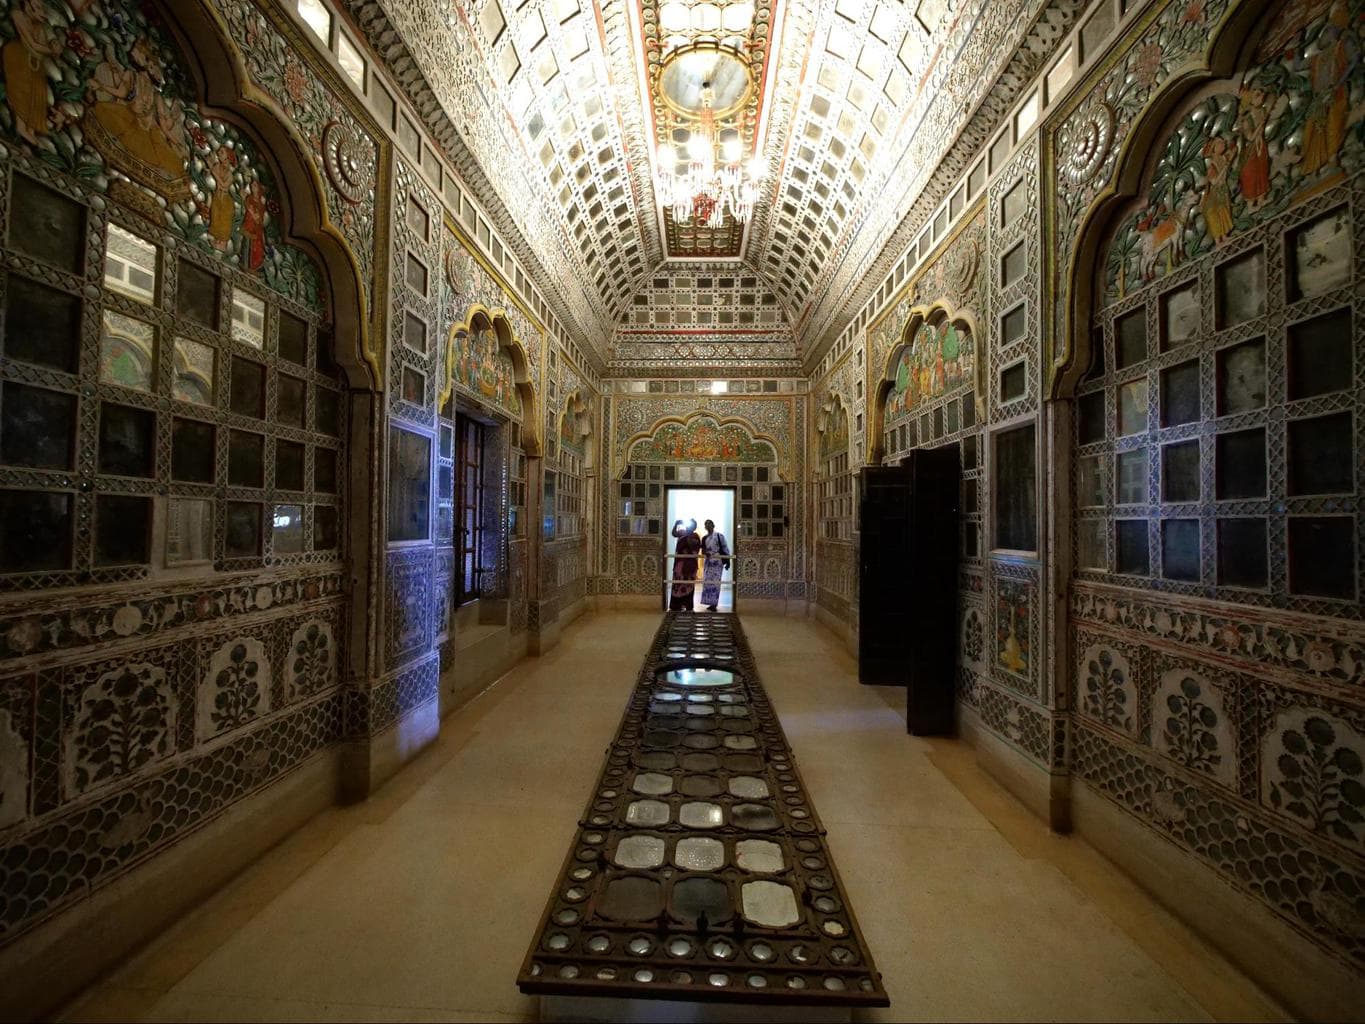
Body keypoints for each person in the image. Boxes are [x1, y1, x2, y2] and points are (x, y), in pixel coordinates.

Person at [669, 519, 702, 612]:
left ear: (694, 527)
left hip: (689, 565)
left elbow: (694, 547)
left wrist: (688, 538)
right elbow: (674, 534)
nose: (689, 526)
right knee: (678, 583)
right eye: (688, 524)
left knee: (688, 584)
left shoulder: (695, 536)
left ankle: (688, 605)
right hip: (679, 564)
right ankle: (676, 605)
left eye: (692, 525)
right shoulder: (682, 533)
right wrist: (676, 524)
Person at [700, 519, 730, 612]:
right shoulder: (704, 538)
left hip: (717, 562)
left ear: (713, 525)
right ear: (705, 527)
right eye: (706, 524)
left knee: (716, 583)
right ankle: (709, 602)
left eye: (709, 524)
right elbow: (703, 550)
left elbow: (725, 548)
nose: (708, 526)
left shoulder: (719, 536)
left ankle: (714, 604)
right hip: (708, 562)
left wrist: (728, 561)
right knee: (707, 582)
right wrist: (706, 553)